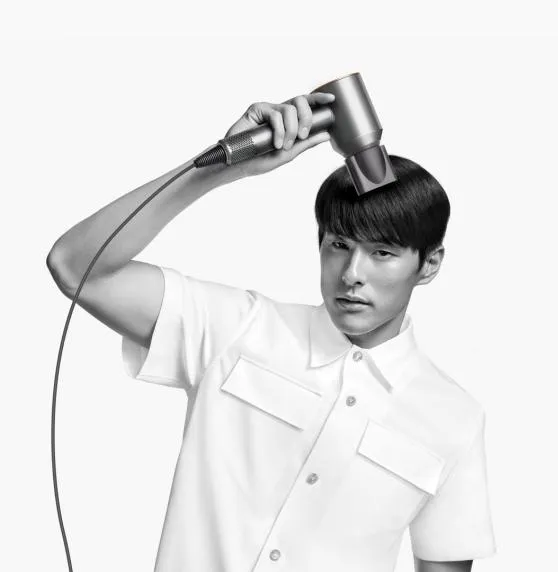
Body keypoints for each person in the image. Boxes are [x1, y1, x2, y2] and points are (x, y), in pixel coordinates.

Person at [47, 92, 497, 572]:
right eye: (338, 245)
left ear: (429, 264)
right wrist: (223, 168)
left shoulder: (454, 418)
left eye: (382, 253)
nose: (351, 274)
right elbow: (76, 267)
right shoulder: (235, 328)